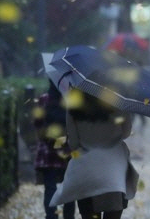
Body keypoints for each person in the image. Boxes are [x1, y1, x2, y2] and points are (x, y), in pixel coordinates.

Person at [50, 90, 139, 219]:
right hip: (114, 169)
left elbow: (73, 143)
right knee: (113, 212)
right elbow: (125, 133)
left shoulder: (74, 103)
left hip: (87, 169)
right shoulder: (118, 101)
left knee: (89, 213)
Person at [34, 80, 75, 219]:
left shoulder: (44, 99)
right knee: (68, 189)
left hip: (48, 150)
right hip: (68, 151)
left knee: (50, 188)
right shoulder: (71, 99)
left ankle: (51, 216)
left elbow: (37, 123)